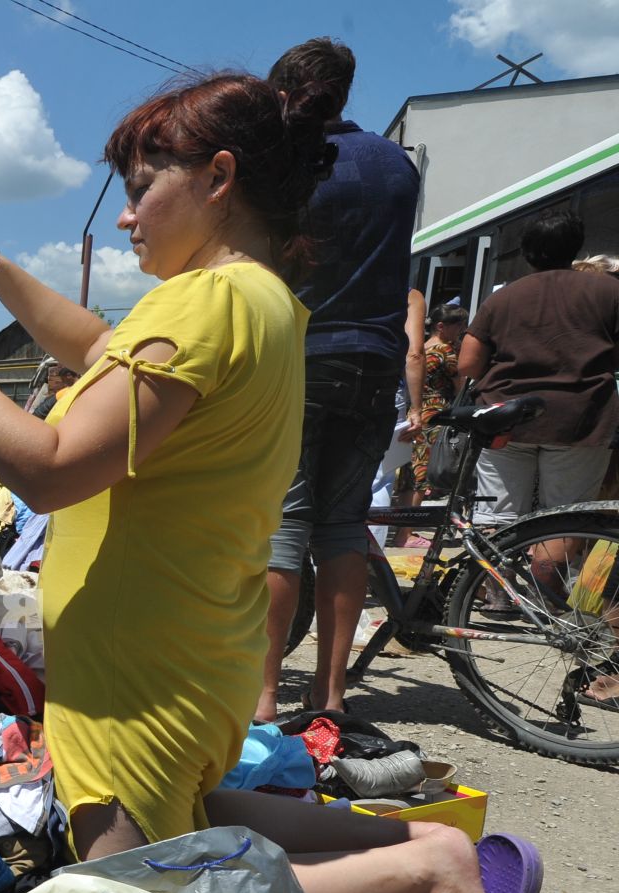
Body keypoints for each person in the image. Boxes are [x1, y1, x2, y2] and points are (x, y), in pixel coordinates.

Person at [0, 71, 509, 893]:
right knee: (197, 815)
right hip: (187, 648)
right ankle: (406, 843)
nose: (127, 219)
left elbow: (48, 467)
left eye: (141, 187)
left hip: (141, 672)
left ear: (218, 176)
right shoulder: (257, 300)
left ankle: (433, 882)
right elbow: (100, 351)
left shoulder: (202, 307)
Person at [253, 38, 421, 722]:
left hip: (303, 355)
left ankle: (262, 696)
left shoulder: (288, 165)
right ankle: (332, 695)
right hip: (376, 359)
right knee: (345, 526)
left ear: (283, 91)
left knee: (284, 526)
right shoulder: (397, 165)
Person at [458, 210, 619, 555]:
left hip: (505, 418)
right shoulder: (609, 290)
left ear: (527, 251)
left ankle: (497, 595)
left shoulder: (503, 297)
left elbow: (468, 363)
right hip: (580, 420)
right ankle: (542, 601)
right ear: (576, 247)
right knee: (562, 516)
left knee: (497, 512)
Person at [409, 301, 467, 503]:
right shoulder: (445, 351)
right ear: (441, 326)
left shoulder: (422, 347)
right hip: (438, 414)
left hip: (418, 410)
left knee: (415, 467)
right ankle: (407, 531)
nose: (462, 329)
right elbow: (461, 385)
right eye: (458, 325)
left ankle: (404, 526)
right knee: (427, 468)